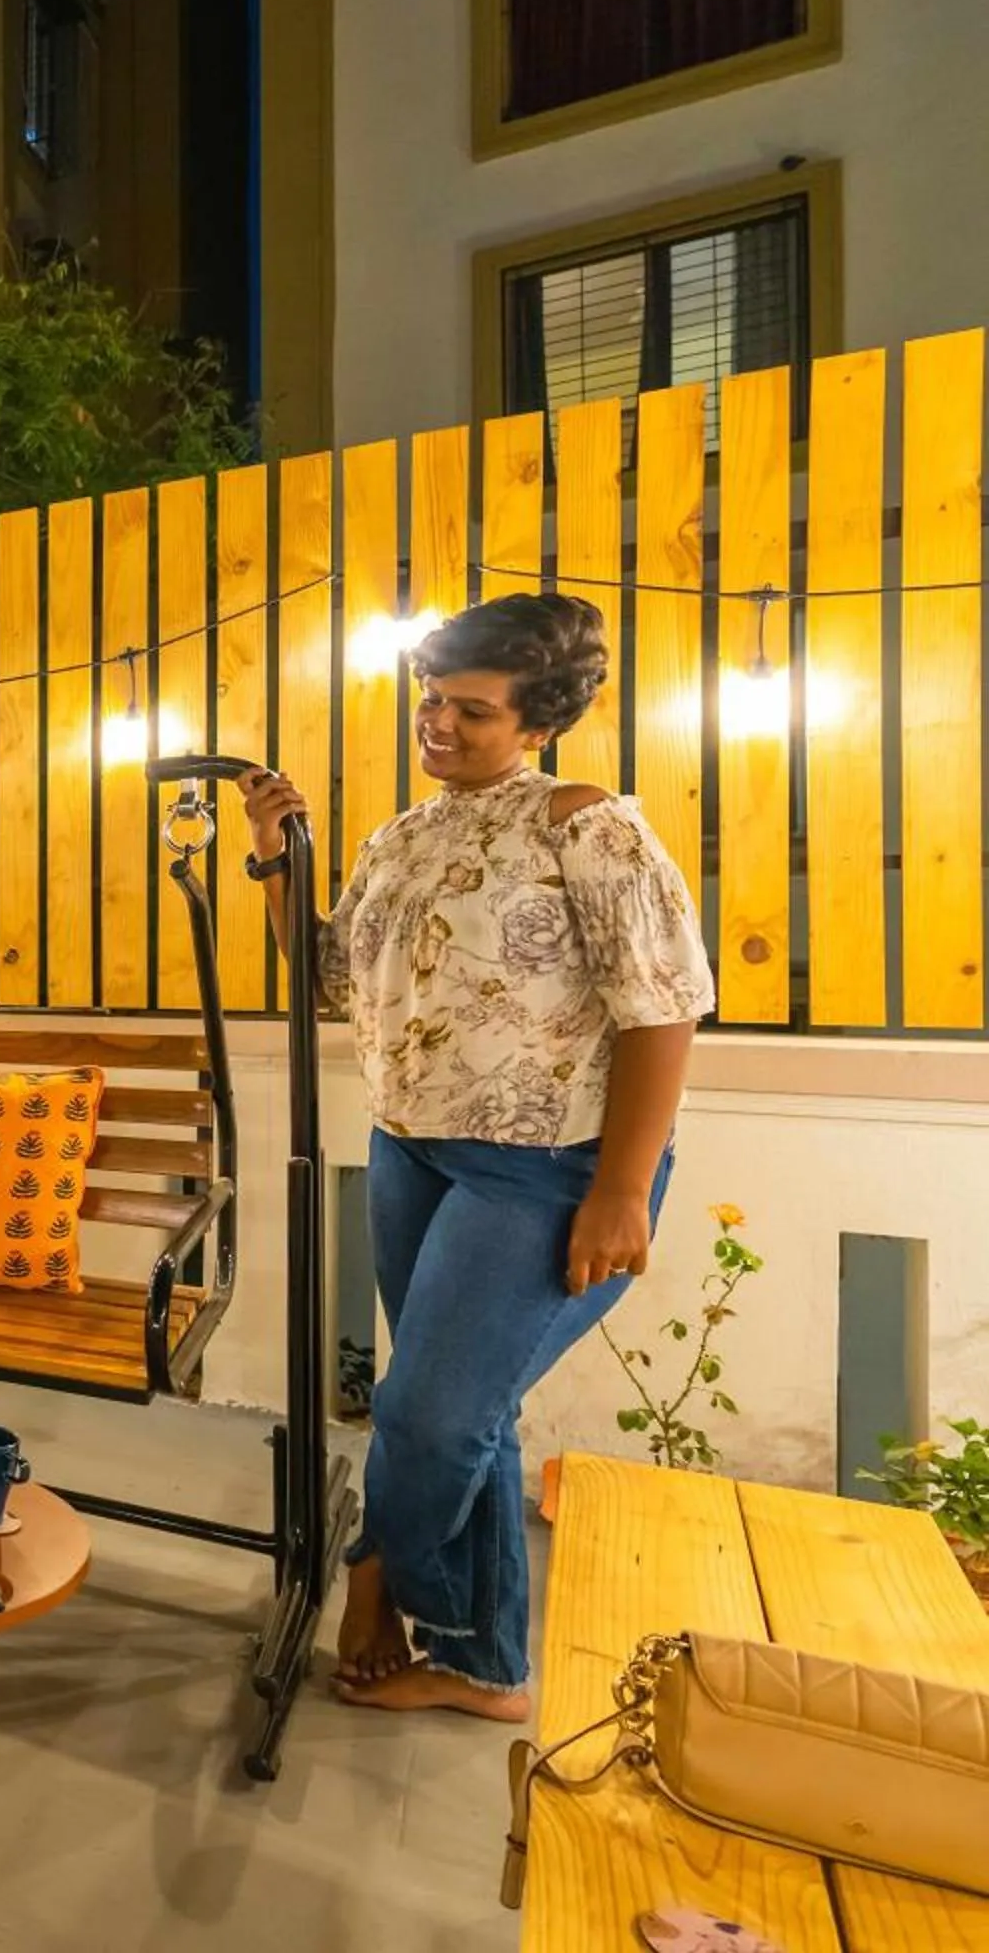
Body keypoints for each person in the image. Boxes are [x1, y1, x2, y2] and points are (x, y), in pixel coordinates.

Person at [246, 592, 711, 1722]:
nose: (438, 725)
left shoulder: (587, 822)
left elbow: (664, 1009)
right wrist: (273, 856)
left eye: (472, 711)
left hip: (548, 1165)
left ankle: (375, 1579)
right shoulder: (402, 835)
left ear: (539, 723)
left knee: (431, 1413)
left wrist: (617, 1189)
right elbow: (328, 979)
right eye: (430, 699)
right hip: (415, 1150)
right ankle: (487, 1661)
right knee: (474, 1413)